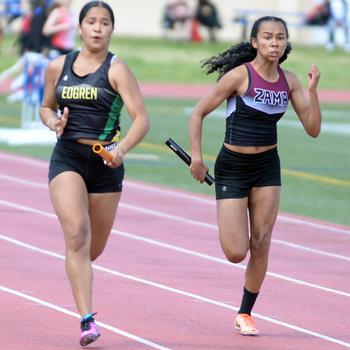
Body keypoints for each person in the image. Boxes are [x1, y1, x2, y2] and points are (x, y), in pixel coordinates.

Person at [188, 16, 321, 336]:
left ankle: (245, 312)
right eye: (267, 37)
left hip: (267, 168)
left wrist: (313, 90)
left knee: (261, 242)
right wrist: (197, 157)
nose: (274, 43)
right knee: (236, 252)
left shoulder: (289, 81)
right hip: (233, 167)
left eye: (280, 38)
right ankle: (230, 219)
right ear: (254, 43)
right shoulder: (239, 77)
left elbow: (313, 129)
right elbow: (198, 112)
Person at [39, 1, 150, 346]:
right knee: (76, 236)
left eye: (104, 23)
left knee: (91, 251)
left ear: (112, 30)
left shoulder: (117, 69)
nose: (98, 28)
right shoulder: (58, 66)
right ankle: (87, 320)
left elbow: (141, 119)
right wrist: (52, 122)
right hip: (68, 158)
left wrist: (121, 151)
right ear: (80, 27)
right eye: (91, 22)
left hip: (105, 165)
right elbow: (46, 106)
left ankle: (79, 273)